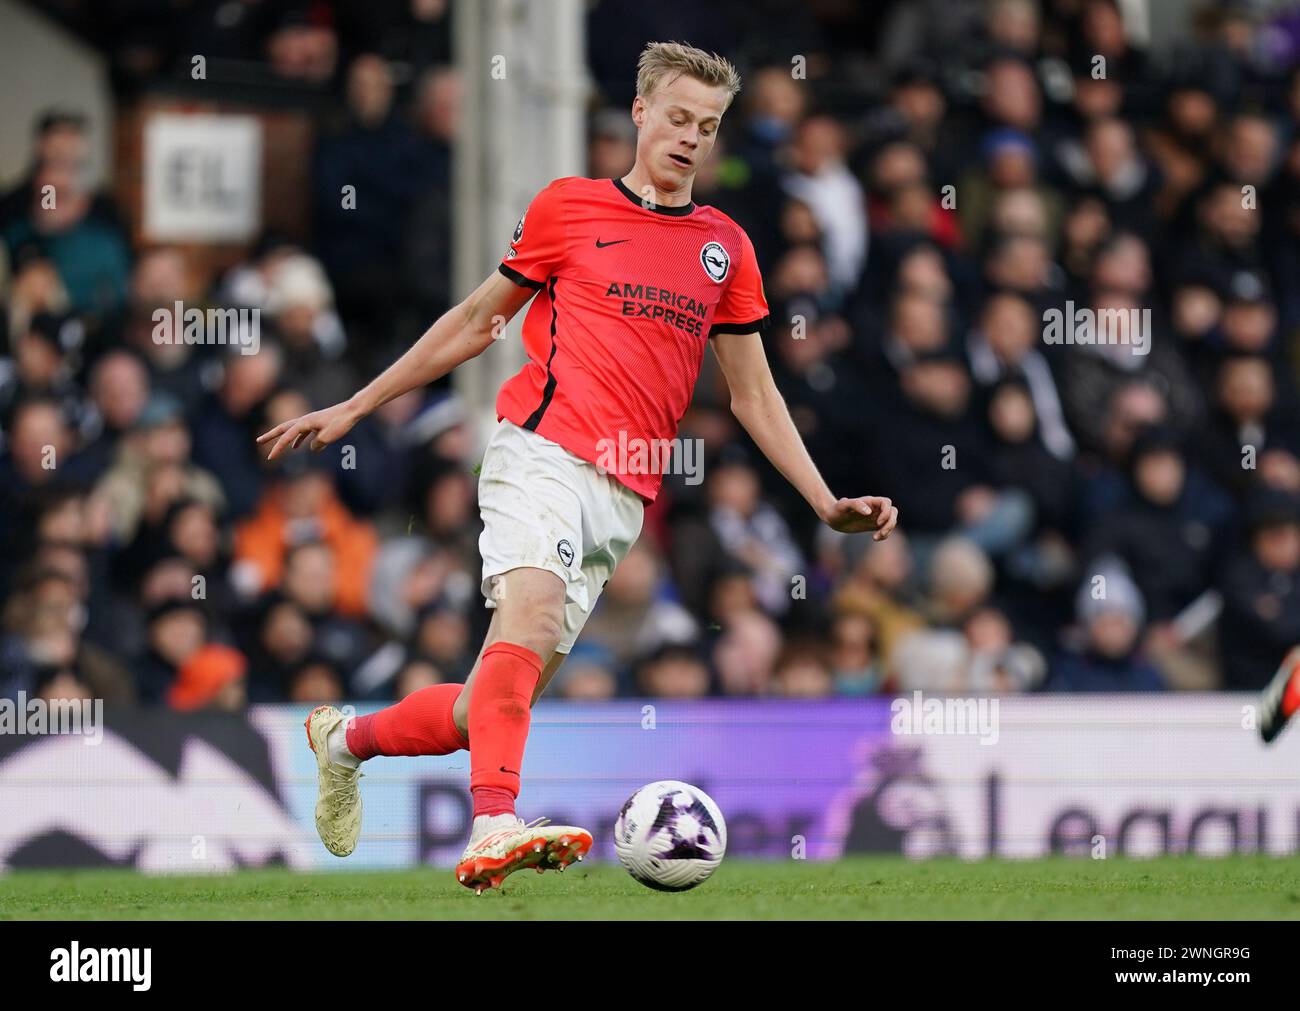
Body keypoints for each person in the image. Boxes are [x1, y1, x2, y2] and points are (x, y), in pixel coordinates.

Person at [258, 41, 899, 893]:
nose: (690, 138)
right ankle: (492, 825)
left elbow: (753, 393)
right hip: (541, 449)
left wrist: (822, 500)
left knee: (483, 703)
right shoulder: (569, 207)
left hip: (625, 496)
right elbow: (477, 321)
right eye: (677, 118)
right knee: (529, 614)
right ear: (639, 114)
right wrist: (356, 405)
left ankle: (343, 742)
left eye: (707, 127)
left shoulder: (726, 248)